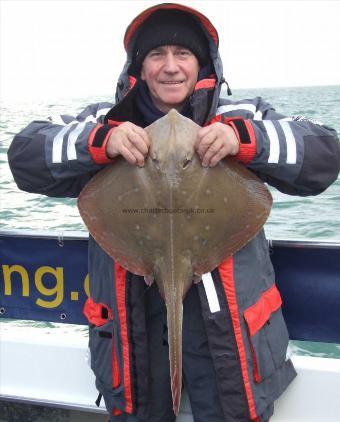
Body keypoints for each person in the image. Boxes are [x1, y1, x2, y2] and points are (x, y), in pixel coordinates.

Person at [7, 3, 340, 422]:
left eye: (182, 54)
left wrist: (244, 140)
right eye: (156, 54)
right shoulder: (102, 121)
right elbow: (24, 153)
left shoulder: (239, 116)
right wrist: (99, 142)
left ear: (201, 65)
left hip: (230, 362)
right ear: (139, 67)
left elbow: (325, 153)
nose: (170, 67)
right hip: (133, 358)